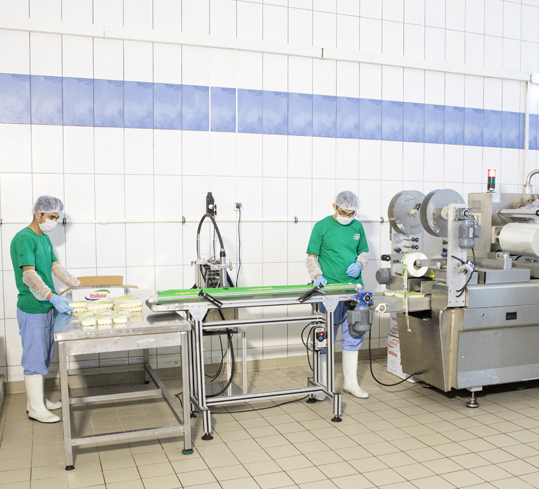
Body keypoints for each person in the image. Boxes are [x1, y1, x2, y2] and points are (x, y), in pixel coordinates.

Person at [10, 196, 80, 423]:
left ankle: (37, 401)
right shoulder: (24, 238)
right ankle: (36, 409)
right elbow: (29, 276)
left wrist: (78, 286)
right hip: (33, 308)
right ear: (37, 213)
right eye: (51, 217)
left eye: (57, 218)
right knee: (34, 357)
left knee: (44, 354)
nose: (54, 222)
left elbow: (56, 268)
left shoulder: (44, 238)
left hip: (46, 307)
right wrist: (52, 296)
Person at [306, 190, 369, 400]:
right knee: (324, 338)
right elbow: (311, 257)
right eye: (344, 212)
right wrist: (317, 275)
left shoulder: (357, 227)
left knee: (354, 335)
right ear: (335, 207)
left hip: (354, 289)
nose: (347, 216)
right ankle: (322, 386)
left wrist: (359, 264)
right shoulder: (322, 226)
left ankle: (351, 384)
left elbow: (364, 252)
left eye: (351, 213)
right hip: (329, 290)